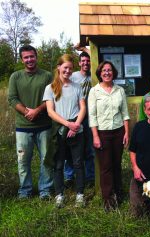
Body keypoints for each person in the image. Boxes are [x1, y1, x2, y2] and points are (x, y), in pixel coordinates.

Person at [8, 45, 53, 199]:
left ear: (36, 57)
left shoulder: (47, 76)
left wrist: (37, 110)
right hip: (23, 127)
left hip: (44, 126)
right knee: (23, 161)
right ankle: (25, 190)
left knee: (46, 159)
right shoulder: (15, 76)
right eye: (26, 57)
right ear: (22, 60)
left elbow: (51, 97)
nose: (29, 60)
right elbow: (12, 99)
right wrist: (27, 112)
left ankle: (45, 190)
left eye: (31, 56)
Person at [43, 54, 86, 208]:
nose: (68, 71)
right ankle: (59, 194)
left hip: (77, 130)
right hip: (59, 130)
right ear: (59, 68)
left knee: (78, 163)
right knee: (58, 164)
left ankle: (80, 194)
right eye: (65, 67)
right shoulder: (50, 88)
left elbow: (83, 107)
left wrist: (76, 124)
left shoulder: (77, 87)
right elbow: (50, 111)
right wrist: (68, 124)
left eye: (70, 68)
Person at [88, 60, 130, 211]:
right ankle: (108, 199)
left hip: (118, 131)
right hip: (102, 133)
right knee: (106, 168)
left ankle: (119, 194)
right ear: (100, 73)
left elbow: (125, 114)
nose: (107, 73)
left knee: (117, 165)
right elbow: (92, 116)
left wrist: (126, 133)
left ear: (113, 73)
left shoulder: (120, 90)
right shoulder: (94, 91)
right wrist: (95, 136)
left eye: (109, 70)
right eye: (104, 70)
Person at [64, 51, 95, 186]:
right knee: (71, 147)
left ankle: (89, 177)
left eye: (88, 61)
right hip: (75, 116)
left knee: (89, 149)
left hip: (90, 117)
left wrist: (84, 48)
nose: (86, 63)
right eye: (83, 61)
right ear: (79, 63)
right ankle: (69, 176)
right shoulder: (74, 76)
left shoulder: (94, 75)